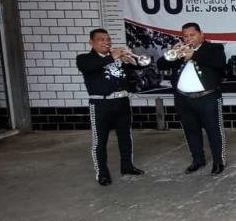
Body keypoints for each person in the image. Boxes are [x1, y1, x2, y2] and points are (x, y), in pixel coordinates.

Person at [76, 28, 146, 186]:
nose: (106, 42)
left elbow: (140, 67)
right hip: (101, 104)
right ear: (91, 42)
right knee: (100, 141)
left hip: (121, 102)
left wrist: (131, 60)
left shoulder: (118, 58)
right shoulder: (84, 59)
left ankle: (127, 166)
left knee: (125, 137)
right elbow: (89, 68)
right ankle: (102, 173)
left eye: (107, 39)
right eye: (101, 39)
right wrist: (112, 56)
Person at [157, 23, 227, 175]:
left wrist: (194, 55)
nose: (189, 38)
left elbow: (219, 63)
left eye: (192, 35)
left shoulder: (214, 49)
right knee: (191, 130)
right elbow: (160, 65)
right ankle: (197, 160)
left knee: (213, 131)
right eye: (186, 36)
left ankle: (218, 161)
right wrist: (173, 52)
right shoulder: (179, 52)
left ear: (202, 34)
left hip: (207, 97)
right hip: (183, 99)